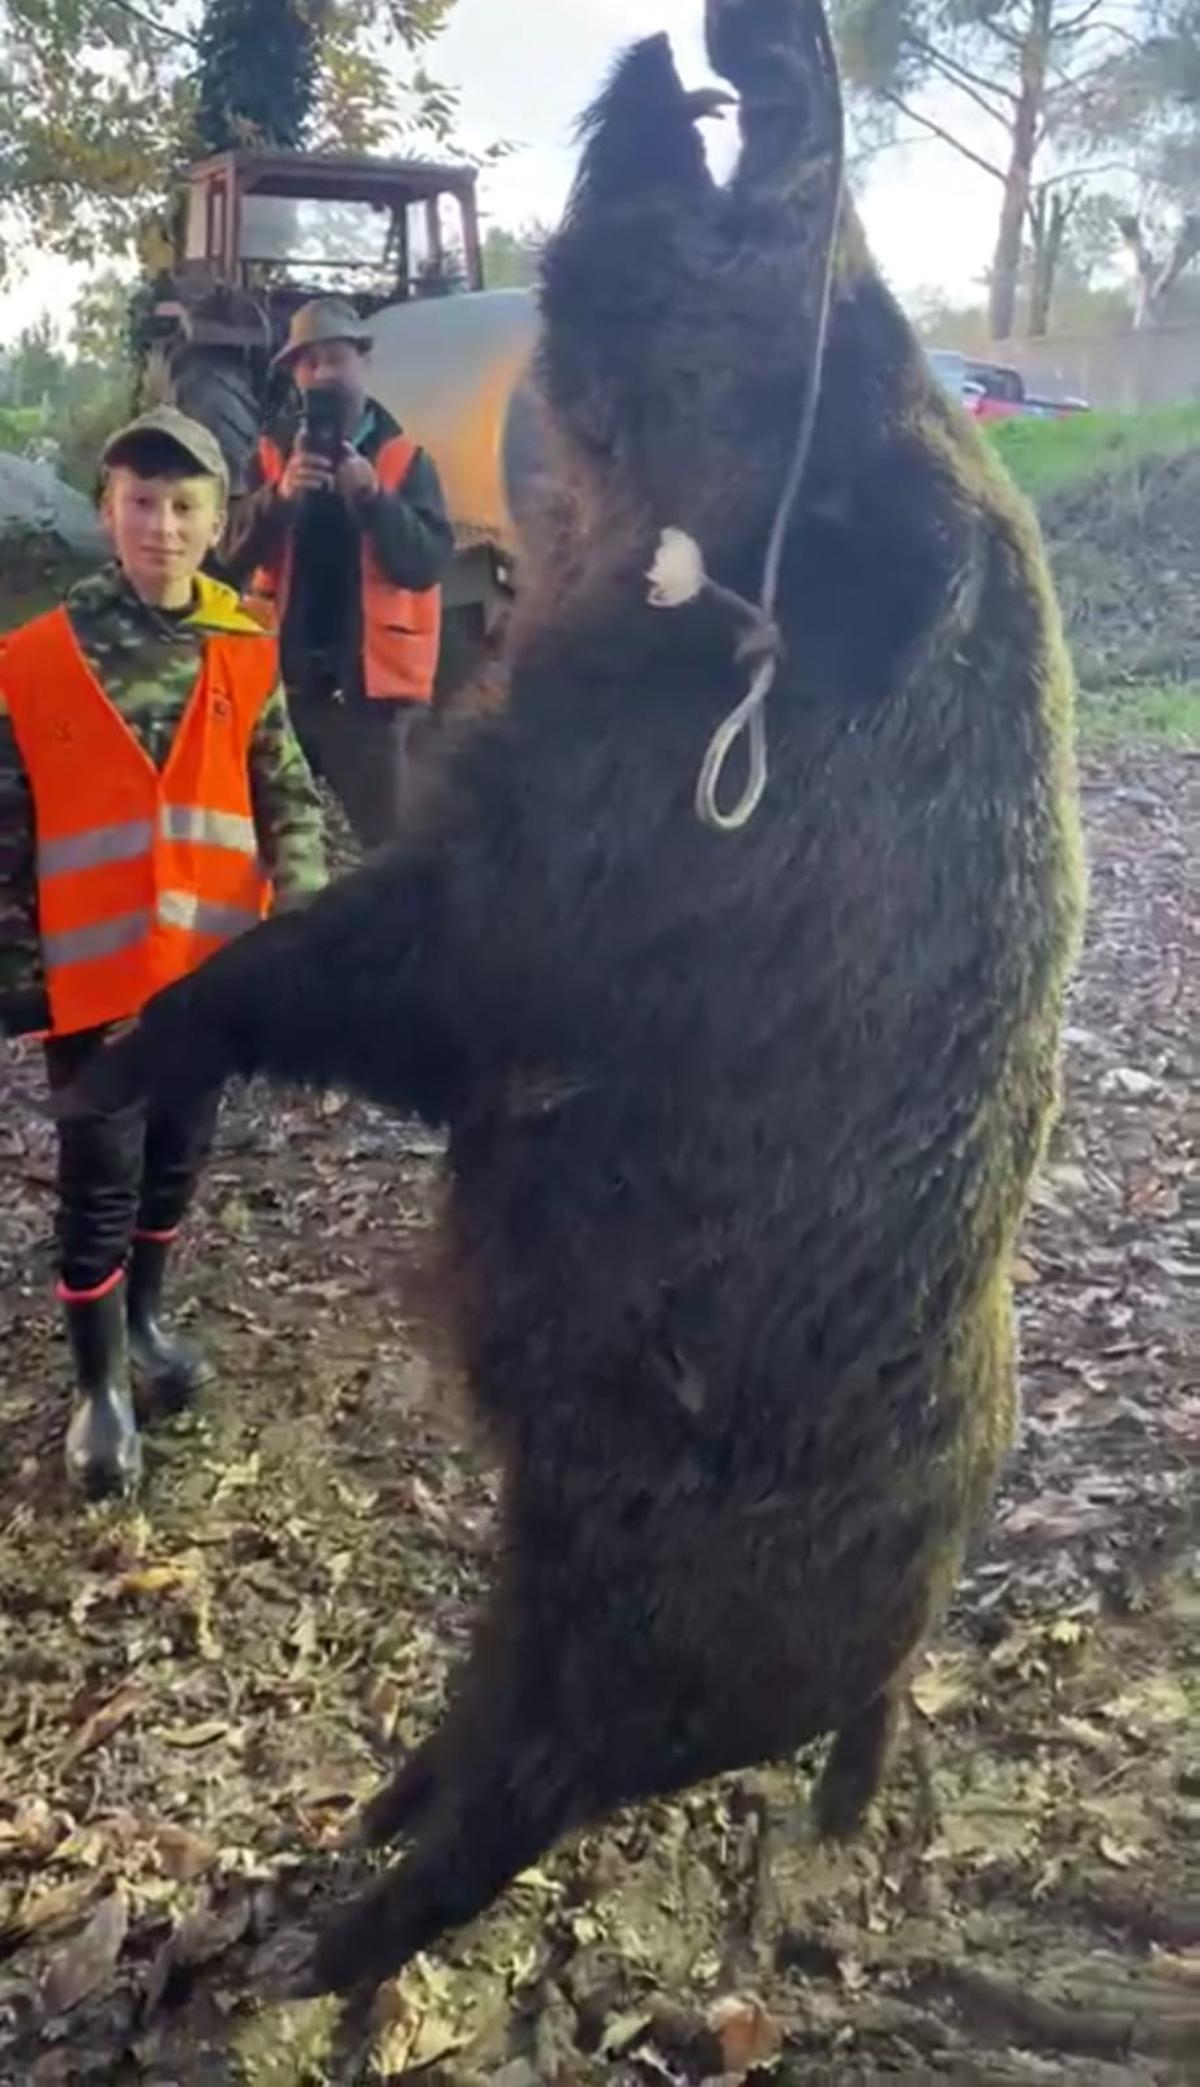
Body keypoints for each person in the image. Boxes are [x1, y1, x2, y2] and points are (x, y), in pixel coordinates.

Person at [0, 406, 326, 1502]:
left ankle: (143, 1321)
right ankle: (98, 1391)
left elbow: (288, 796)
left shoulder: (244, 647)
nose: (163, 525)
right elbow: (7, 827)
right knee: (98, 1177)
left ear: (218, 519)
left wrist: (306, 929)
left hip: (211, 972)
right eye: (142, 502)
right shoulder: (35, 660)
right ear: (109, 512)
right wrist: (16, 976)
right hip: (95, 981)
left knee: (178, 1155)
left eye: (186, 505)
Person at [228, 298, 455, 850]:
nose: (324, 372)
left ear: (363, 362)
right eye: (310, 362)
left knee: (388, 853)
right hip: (282, 688)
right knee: (259, 844)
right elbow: (226, 553)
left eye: (337, 357)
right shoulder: (269, 454)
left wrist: (375, 498)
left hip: (367, 701)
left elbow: (424, 566)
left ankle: (396, 937)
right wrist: (278, 499)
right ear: (294, 374)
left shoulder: (405, 459)